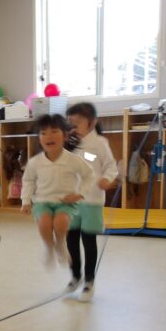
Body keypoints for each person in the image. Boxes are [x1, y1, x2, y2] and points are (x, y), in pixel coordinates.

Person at [20, 114, 95, 270]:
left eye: (54, 131)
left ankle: (60, 244)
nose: (49, 136)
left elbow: (89, 175)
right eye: (43, 133)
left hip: (65, 202)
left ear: (65, 136)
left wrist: (80, 193)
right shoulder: (35, 162)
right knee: (44, 223)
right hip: (42, 201)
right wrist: (25, 201)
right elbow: (28, 181)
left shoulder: (73, 160)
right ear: (39, 138)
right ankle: (49, 248)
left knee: (61, 223)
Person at [65, 102, 118, 301]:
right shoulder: (69, 143)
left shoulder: (99, 143)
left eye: (77, 123)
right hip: (72, 200)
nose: (73, 128)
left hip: (92, 200)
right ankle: (75, 276)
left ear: (92, 122)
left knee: (88, 240)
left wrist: (107, 179)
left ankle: (89, 281)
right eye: (70, 123)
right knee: (70, 239)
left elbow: (110, 166)